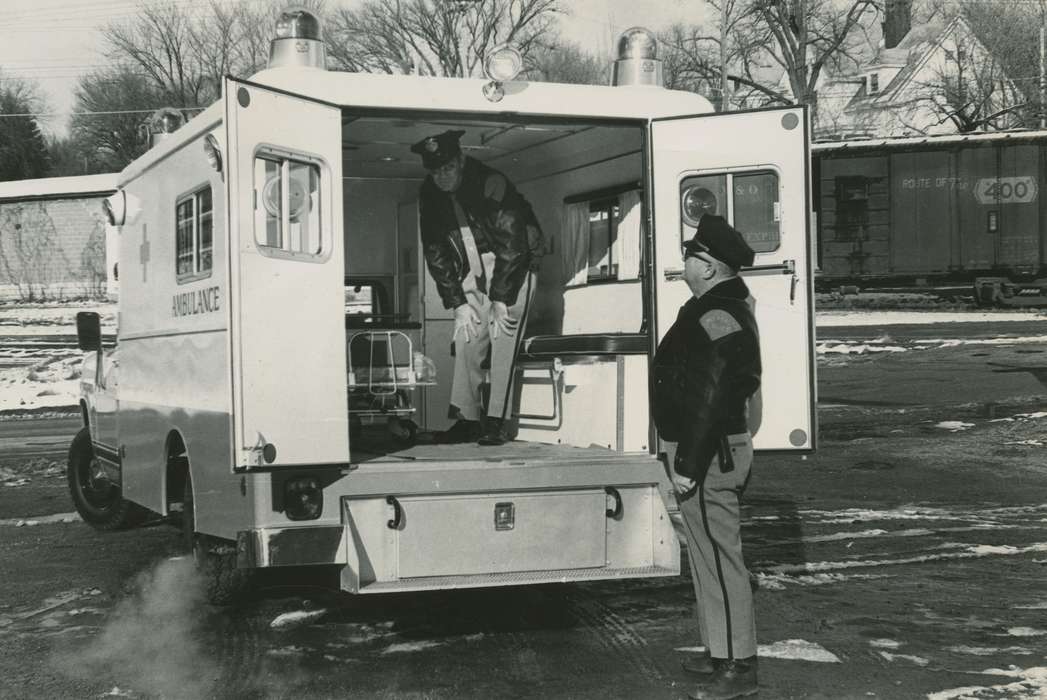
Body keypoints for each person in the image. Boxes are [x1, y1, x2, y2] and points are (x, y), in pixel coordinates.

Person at [650, 213, 761, 700]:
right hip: (703, 450)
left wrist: (689, 465)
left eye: (692, 257)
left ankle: (741, 667)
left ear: (712, 266)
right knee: (705, 556)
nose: (686, 265)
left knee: (721, 556)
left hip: (710, 453)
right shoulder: (710, 306)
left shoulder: (718, 314)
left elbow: (711, 396)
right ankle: (721, 651)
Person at [410, 130, 543, 446]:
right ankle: (467, 419)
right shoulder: (429, 193)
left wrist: (500, 298)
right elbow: (435, 251)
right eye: (435, 170)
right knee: (467, 334)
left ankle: (496, 420)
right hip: (471, 265)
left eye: (448, 169)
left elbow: (514, 243)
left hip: (513, 263)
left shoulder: (490, 182)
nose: (442, 177)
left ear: (461, 160)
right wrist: (457, 303)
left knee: (503, 331)